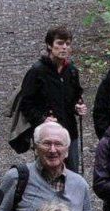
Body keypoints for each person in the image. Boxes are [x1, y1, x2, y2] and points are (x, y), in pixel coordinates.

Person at [14, 26, 86, 169]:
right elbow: (25, 104)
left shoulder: (71, 71)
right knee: (46, 172)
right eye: (60, 43)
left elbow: (75, 97)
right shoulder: (37, 71)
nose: (64, 47)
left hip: (69, 132)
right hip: (46, 134)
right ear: (49, 45)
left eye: (67, 44)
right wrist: (42, 119)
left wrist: (78, 107)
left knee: (72, 172)